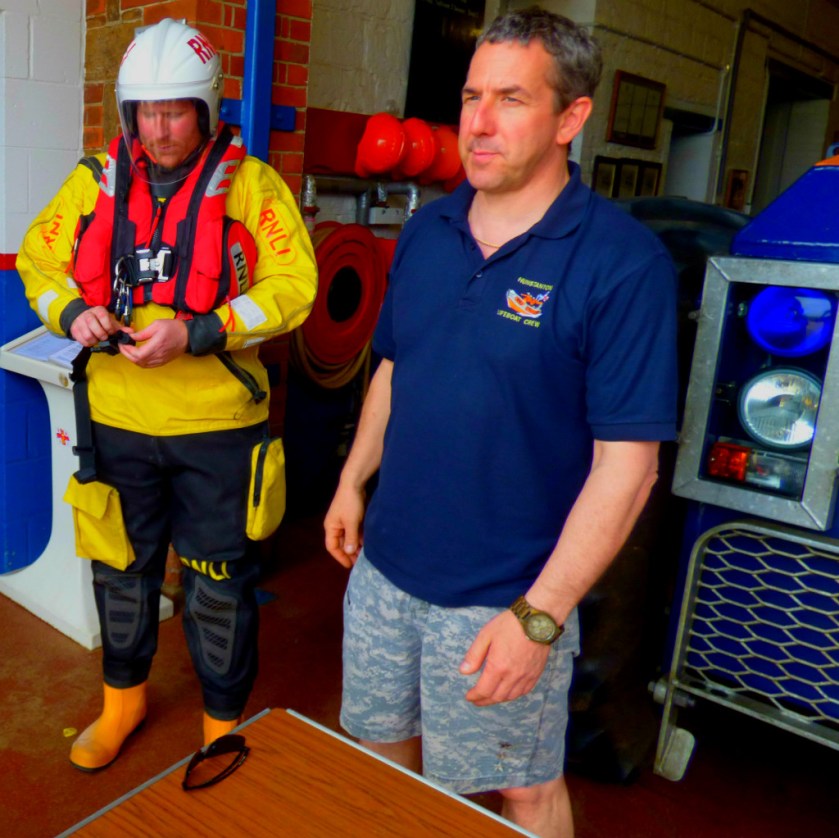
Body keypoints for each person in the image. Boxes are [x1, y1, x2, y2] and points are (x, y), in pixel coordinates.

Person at [324, 7, 677, 837]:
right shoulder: (429, 229)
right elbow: (394, 366)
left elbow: (628, 469)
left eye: (511, 99)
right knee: (379, 752)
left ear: (571, 118)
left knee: (522, 790)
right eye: (471, 95)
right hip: (384, 574)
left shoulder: (621, 264)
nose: (477, 123)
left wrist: (539, 617)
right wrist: (351, 480)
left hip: (502, 598)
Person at [17, 18, 317, 770]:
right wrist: (70, 311)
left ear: (206, 109)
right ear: (127, 113)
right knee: (121, 571)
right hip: (116, 421)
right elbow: (37, 260)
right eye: (145, 112)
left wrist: (202, 331)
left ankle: (221, 724)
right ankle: (123, 702)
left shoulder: (252, 186)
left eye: (175, 109)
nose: (158, 128)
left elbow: (295, 287)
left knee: (218, 583)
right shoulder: (93, 182)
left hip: (218, 428)